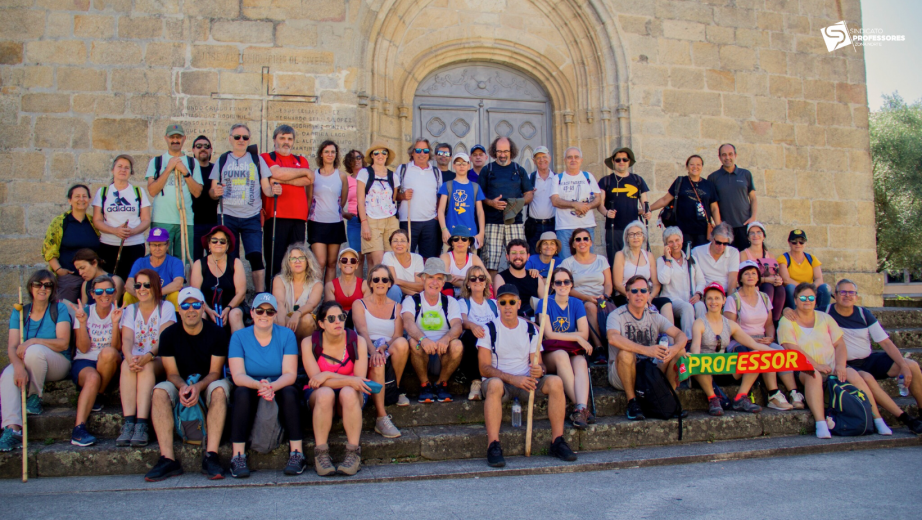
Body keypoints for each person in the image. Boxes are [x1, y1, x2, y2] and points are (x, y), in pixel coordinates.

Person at [802, 279, 922, 433]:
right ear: (836, 295)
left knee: (911, 365)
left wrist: (903, 366)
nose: (847, 296)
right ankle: (904, 418)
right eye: (842, 292)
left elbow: (885, 343)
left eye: (851, 292)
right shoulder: (823, 313)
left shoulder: (863, 314)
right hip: (844, 364)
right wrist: (787, 311)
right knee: (865, 378)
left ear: (856, 296)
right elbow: (801, 315)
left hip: (868, 360)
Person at [478, 284, 577, 467]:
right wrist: (513, 378)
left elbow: (538, 363)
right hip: (501, 384)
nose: (508, 306)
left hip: (527, 382)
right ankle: (493, 445)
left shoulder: (531, 329)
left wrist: (540, 369)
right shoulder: (488, 329)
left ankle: (558, 441)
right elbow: (484, 368)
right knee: (493, 385)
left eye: (512, 302)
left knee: (555, 381)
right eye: (503, 302)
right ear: (497, 305)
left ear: (518, 304)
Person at [778, 283, 892, 438]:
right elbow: (791, 347)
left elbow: (839, 344)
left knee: (853, 374)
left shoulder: (825, 318)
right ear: (795, 300)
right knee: (814, 374)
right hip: (803, 368)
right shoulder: (787, 321)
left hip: (830, 366)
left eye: (811, 297)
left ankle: (878, 419)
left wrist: (840, 365)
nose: (807, 300)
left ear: (816, 300)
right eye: (803, 297)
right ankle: (821, 423)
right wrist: (816, 365)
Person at [145, 287, 231, 482]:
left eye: (195, 305)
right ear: (179, 309)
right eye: (185, 305)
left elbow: (215, 372)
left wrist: (197, 387)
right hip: (180, 382)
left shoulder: (217, 333)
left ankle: (211, 455)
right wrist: (183, 386)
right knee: (159, 391)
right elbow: (171, 373)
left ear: (202, 308)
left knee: (219, 389)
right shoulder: (168, 335)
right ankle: (167, 459)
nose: (190, 309)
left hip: (207, 382)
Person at [227, 293, 305, 478]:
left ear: (275, 315)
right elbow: (238, 375)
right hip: (251, 383)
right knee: (241, 394)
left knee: (289, 393)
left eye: (269, 312)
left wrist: (272, 386)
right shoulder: (239, 337)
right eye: (260, 311)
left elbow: (290, 374)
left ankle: (297, 453)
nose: (264, 315)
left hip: (278, 383)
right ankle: (237, 455)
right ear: (252, 313)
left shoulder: (286, 335)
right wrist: (258, 385)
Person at [0, 271, 72, 452]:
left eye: (48, 285)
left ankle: (35, 397)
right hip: (28, 362)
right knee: (7, 376)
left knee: (34, 350)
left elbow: (63, 343)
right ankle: (13, 428)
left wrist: (34, 340)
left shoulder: (59, 309)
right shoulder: (20, 312)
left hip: (57, 363)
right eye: (38, 284)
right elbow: (12, 346)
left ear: (52, 289)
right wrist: (17, 367)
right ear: (30, 287)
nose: (42, 289)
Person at [302, 302, 371, 476]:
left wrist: (326, 375)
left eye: (341, 317)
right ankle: (321, 455)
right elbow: (316, 382)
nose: (337, 322)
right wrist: (331, 379)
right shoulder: (309, 343)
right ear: (321, 324)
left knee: (348, 392)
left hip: (351, 397)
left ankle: (353, 454)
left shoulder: (357, 341)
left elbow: (359, 381)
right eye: (331, 319)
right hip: (319, 397)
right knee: (325, 393)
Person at [607, 275, 688, 421]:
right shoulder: (616, 315)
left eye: (643, 290)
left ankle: (666, 399)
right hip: (622, 372)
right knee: (626, 353)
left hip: (650, 370)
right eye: (635, 290)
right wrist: (646, 350)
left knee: (680, 352)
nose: (639, 294)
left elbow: (680, 335)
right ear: (628, 294)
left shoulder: (654, 315)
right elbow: (613, 338)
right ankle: (632, 402)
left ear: (648, 294)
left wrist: (674, 350)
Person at [690, 282, 774, 416]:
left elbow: (754, 345)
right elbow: (695, 347)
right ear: (705, 301)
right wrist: (694, 358)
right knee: (698, 360)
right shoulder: (699, 323)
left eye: (717, 298)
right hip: (705, 370)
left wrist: (779, 353)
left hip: (724, 368)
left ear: (724, 300)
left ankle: (741, 397)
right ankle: (713, 398)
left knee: (756, 355)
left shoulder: (730, 324)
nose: (713, 302)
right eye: (710, 298)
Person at [724, 262, 800, 411]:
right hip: (740, 341)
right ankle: (773, 393)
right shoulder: (733, 299)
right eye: (746, 273)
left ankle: (793, 392)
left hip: (762, 339)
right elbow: (729, 329)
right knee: (762, 354)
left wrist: (770, 337)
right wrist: (750, 340)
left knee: (780, 352)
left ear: (758, 276)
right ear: (740, 278)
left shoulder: (764, 297)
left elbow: (770, 324)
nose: (750, 276)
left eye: (753, 273)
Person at [208, 123, 274, 293]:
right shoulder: (222, 160)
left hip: (251, 216)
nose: (241, 140)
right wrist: (215, 192)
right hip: (227, 215)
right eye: (237, 137)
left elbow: (265, 187)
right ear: (230, 139)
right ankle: (233, 295)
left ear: (249, 140)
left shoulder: (256, 160)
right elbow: (212, 191)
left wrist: (273, 191)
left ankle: (260, 295)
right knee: (230, 257)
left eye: (245, 137)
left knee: (255, 256)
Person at [117, 269, 175, 448]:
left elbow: (165, 339)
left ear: (155, 286)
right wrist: (128, 357)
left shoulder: (166, 307)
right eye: (138, 285)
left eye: (146, 285)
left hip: (157, 358)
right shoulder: (130, 310)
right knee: (126, 367)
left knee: (147, 367)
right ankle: (129, 423)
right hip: (135, 357)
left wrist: (148, 356)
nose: (141, 289)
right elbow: (126, 339)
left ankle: (142, 424)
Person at [353, 264, 412, 429]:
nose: (380, 282)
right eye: (376, 279)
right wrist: (374, 351)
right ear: (370, 283)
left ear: (389, 284)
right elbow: (362, 331)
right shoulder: (359, 304)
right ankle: (381, 415)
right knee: (377, 361)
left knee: (402, 343)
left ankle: (395, 388)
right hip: (366, 346)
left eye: (384, 279)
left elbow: (397, 335)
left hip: (387, 346)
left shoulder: (396, 306)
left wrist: (384, 347)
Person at [68, 276, 123, 447]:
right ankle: (78, 429)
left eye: (109, 290)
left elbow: (116, 349)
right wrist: (82, 323)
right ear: (92, 294)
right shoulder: (84, 312)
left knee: (107, 353)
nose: (104, 295)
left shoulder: (121, 312)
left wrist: (115, 324)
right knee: (92, 378)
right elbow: (83, 349)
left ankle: (96, 394)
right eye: (99, 291)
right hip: (85, 362)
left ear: (115, 293)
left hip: (109, 364)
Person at [536, 267, 594, 429]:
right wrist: (575, 336)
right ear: (552, 285)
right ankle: (580, 407)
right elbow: (548, 334)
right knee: (561, 355)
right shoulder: (545, 302)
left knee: (581, 361)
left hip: (573, 351)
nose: (562, 285)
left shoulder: (576, 303)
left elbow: (585, 333)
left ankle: (580, 409)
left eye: (566, 281)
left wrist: (579, 336)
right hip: (552, 353)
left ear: (571, 284)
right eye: (558, 282)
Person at [402, 258, 463, 403]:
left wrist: (446, 339)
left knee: (457, 345)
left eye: (439, 278)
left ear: (443, 283)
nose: (434, 282)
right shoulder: (412, 300)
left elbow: (457, 326)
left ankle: (442, 383)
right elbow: (408, 323)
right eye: (430, 277)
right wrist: (423, 339)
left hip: (443, 354)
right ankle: (425, 384)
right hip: (420, 354)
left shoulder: (450, 302)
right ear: (423, 278)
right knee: (413, 342)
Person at [261, 125, 313, 281]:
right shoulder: (266, 157)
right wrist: (282, 175)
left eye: (289, 139)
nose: (286, 142)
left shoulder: (300, 160)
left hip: (298, 217)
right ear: (274, 139)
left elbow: (308, 178)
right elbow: (276, 172)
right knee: (275, 261)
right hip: (276, 215)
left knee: (296, 261)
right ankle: (272, 298)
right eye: (282, 138)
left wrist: (279, 178)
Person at [478, 137, 534, 277]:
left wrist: (518, 203)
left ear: (512, 151)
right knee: (490, 262)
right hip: (492, 222)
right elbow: (478, 196)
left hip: (515, 222)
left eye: (505, 151)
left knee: (518, 260)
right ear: (494, 151)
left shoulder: (519, 170)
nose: (502, 155)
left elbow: (529, 194)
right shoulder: (487, 170)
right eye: (499, 151)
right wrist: (491, 203)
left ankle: (515, 294)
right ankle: (491, 295)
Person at [145, 124, 203, 259]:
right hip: (161, 219)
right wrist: (168, 169)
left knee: (184, 261)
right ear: (166, 138)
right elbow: (152, 191)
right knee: (160, 259)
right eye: (172, 137)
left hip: (185, 220)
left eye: (178, 137)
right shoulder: (157, 161)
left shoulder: (192, 162)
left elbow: (197, 192)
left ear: (184, 139)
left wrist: (185, 172)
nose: (175, 140)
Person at [93, 154, 151, 281]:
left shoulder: (138, 192)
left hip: (134, 244)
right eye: (119, 166)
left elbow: (146, 219)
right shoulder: (103, 192)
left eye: (126, 168)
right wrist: (115, 231)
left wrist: (133, 231)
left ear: (131, 172)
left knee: (132, 279)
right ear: (113, 170)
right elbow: (97, 220)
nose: (123, 170)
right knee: (109, 280)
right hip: (108, 244)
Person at [43, 184, 101, 303]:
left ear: (89, 199)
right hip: (69, 278)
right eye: (77, 196)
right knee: (65, 313)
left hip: (92, 279)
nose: (81, 199)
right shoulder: (60, 222)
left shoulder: (94, 222)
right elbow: (48, 249)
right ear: (70, 200)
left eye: (84, 196)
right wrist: (59, 270)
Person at [650, 155, 721, 249]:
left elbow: (714, 208)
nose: (695, 167)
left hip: (703, 231)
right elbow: (665, 200)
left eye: (698, 164)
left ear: (702, 167)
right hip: (683, 230)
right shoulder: (680, 182)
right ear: (687, 166)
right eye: (692, 164)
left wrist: (719, 228)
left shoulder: (709, 185)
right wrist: (647, 209)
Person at [560, 229, 612, 353]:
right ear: (573, 244)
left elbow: (609, 283)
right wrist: (587, 298)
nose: (582, 242)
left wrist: (605, 296)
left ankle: (611, 345)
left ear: (591, 242)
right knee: (589, 307)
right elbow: (567, 288)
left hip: (602, 298)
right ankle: (599, 347)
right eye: (578, 239)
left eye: (585, 239)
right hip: (579, 300)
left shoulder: (601, 260)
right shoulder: (568, 263)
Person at [611, 221, 673, 322]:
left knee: (666, 303)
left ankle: (669, 336)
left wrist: (649, 297)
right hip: (626, 296)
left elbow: (656, 284)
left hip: (646, 297)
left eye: (639, 234)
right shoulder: (620, 255)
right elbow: (617, 284)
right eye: (632, 234)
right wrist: (634, 296)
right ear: (626, 238)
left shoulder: (649, 256)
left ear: (643, 237)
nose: (635, 237)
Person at [598, 147, 651, 263]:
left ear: (629, 161)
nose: (621, 162)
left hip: (633, 229)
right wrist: (606, 213)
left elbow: (645, 203)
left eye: (624, 159)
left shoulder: (638, 180)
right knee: (615, 260)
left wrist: (647, 212)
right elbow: (599, 204)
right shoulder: (606, 181)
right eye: (618, 160)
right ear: (613, 161)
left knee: (635, 259)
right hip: (614, 228)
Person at [191, 225, 246, 332]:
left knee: (235, 314)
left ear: (227, 245)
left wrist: (228, 309)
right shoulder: (199, 264)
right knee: (200, 314)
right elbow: (196, 294)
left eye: (222, 241)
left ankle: (239, 348)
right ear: (209, 245)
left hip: (231, 307)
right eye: (214, 241)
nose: (218, 244)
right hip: (206, 308)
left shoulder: (235, 263)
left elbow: (241, 293)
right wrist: (208, 310)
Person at [308, 140, 349, 285]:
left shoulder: (341, 176)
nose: (330, 155)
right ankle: (315, 298)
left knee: (332, 263)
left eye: (332, 152)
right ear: (321, 154)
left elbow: (342, 201)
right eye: (326, 152)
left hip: (335, 224)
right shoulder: (313, 175)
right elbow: (309, 199)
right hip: (317, 223)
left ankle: (327, 300)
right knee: (320, 262)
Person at [550, 147, 602, 259]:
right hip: (564, 227)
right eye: (569, 157)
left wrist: (586, 207)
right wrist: (575, 205)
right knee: (566, 262)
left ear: (581, 160)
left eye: (576, 157)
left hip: (586, 226)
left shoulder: (588, 177)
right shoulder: (557, 178)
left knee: (587, 259)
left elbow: (598, 198)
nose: (573, 160)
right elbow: (555, 201)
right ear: (564, 160)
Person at [396, 138, 442, 259]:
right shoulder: (402, 169)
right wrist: (402, 196)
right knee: (405, 257)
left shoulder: (436, 172)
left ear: (429, 153)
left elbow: (439, 196)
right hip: (408, 221)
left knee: (428, 259)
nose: (422, 154)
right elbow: (392, 195)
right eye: (418, 150)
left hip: (430, 222)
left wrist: (438, 213)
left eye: (425, 150)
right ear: (412, 152)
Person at [458, 265, 499, 401]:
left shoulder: (493, 303)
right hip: (473, 343)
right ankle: (476, 382)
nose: (477, 281)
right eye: (473, 278)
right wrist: (473, 326)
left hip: (491, 343)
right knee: (472, 335)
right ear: (468, 283)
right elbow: (462, 321)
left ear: (486, 283)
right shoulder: (463, 302)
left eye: (481, 278)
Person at [357, 141, 401, 267]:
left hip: (390, 221)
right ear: (372, 155)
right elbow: (360, 200)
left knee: (391, 261)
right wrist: (364, 223)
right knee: (378, 262)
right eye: (376, 153)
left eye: (383, 152)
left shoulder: (393, 176)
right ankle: (373, 286)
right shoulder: (364, 173)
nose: (380, 155)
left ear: (387, 156)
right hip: (372, 220)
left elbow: (393, 199)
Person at [657, 227, 705, 338]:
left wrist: (698, 294)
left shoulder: (691, 259)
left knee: (701, 306)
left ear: (682, 240)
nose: (675, 244)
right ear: (666, 244)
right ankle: (689, 340)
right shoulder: (662, 260)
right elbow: (664, 280)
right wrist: (668, 260)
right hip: (673, 300)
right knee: (687, 307)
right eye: (670, 242)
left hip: (690, 298)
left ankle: (704, 340)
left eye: (677, 240)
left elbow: (701, 280)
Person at [708, 144, 757, 251]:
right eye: (724, 155)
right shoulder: (713, 178)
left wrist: (753, 218)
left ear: (735, 155)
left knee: (745, 259)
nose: (727, 157)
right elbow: (713, 204)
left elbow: (753, 198)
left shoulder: (745, 174)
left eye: (730, 154)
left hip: (744, 225)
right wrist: (719, 224)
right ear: (719, 157)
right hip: (726, 229)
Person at [272, 242, 323, 345]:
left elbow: (311, 305)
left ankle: (301, 353)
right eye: (293, 258)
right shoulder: (279, 279)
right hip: (284, 319)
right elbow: (279, 302)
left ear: (307, 261)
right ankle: (282, 349)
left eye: (301, 258)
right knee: (273, 316)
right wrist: (282, 325)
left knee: (307, 319)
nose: (297, 261)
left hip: (303, 323)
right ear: (288, 262)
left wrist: (297, 314)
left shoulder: (317, 284)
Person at [124, 227, 184, 309]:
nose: (157, 248)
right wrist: (142, 295)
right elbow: (129, 284)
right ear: (149, 246)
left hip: (164, 298)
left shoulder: (175, 262)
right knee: (128, 295)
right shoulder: (141, 262)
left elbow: (178, 284)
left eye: (160, 245)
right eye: (154, 245)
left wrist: (154, 294)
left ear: (167, 245)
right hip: (143, 298)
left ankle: (175, 321)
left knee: (175, 295)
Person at [437, 152, 485, 248]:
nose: (461, 166)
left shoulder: (475, 187)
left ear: (469, 165)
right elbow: (441, 210)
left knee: (471, 261)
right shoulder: (447, 185)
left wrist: (481, 233)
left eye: (464, 163)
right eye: (458, 163)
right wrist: (444, 229)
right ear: (454, 166)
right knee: (449, 261)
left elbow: (480, 211)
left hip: (471, 234)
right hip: (451, 234)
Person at [739, 221, 785, 322]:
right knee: (768, 287)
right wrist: (766, 280)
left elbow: (775, 272)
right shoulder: (744, 254)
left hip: (769, 283)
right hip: (753, 284)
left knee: (780, 288)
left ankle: (775, 320)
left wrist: (778, 279)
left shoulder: (770, 255)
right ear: (748, 237)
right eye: (752, 233)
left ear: (764, 236)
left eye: (759, 232)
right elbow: (744, 274)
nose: (756, 235)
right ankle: (765, 319)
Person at [778, 229, 831, 309]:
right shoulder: (784, 258)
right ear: (789, 243)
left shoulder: (811, 258)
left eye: (801, 242)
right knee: (790, 287)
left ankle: (822, 314)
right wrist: (803, 289)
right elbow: (786, 280)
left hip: (811, 289)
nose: (798, 244)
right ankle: (794, 314)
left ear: (805, 243)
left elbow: (819, 279)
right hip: (795, 290)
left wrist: (811, 288)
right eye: (794, 242)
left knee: (825, 287)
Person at [494, 239, 545, 317]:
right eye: (514, 253)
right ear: (507, 256)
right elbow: (502, 307)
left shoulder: (536, 277)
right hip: (511, 322)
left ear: (528, 256)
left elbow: (545, 306)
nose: (518, 256)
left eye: (522, 253)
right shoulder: (500, 278)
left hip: (536, 321)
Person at [191, 135, 220, 261]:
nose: (203, 148)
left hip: (213, 223)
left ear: (211, 150)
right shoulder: (188, 171)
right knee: (194, 261)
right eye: (199, 146)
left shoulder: (217, 170)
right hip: (193, 224)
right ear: (193, 150)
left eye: (206, 146)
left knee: (213, 261)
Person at [691, 222, 740, 293]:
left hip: (725, 293)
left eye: (725, 244)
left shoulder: (733, 252)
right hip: (704, 293)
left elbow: (733, 279)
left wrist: (729, 300)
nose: (721, 247)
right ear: (711, 237)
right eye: (718, 242)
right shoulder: (697, 252)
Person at [525, 146, 556, 255]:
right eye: (538, 158)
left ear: (550, 158)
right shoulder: (529, 178)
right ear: (534, 161)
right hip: (534, 226)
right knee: (533, 255)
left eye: (544, 156)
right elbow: (521, 200)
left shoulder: (558, 179)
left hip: (553, 224)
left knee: (552, 255)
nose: (542, 160)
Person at [439, 225, 486, 298]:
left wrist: (462, 277)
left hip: (469, 296)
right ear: (452, 242)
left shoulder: (474, 258)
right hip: (449, 297)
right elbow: (446, 279)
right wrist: (473, 282)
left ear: (469, 242)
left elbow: (488, 278)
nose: (460, 241)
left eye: (464, 239)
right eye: (456, 239)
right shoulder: (445, 257)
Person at [382, 229, 424, 302]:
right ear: (390, 244)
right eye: (395, 241)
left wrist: (399, 281)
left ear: (408, 244)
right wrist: (413, 293)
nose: (399, 244)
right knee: (394, 289)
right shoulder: (388, 256)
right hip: (394, 295)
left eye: (403, 241)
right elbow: (393, 283)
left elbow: (420, 287)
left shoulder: (417, 258)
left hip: (411, 298)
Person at [343, 149, 366, 275]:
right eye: (353, 158)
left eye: (359, 157)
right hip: (354, 221)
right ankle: (359, 289)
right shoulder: (346, 180)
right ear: (348, 162)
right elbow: (337, 200)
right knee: (358, 257)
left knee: (373, 256)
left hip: (369, 220)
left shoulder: (369, 176)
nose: (357, 160)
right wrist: (344, 214)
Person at [324, 248, 366, 317]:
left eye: (352, 261)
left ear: (357, 265)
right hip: (338, 321)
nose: (348, 263)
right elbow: (331, 311)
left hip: (359, 321)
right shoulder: (330, 286)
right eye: (344, 260)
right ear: (339, 264)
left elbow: (366, 310)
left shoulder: (364, 285)